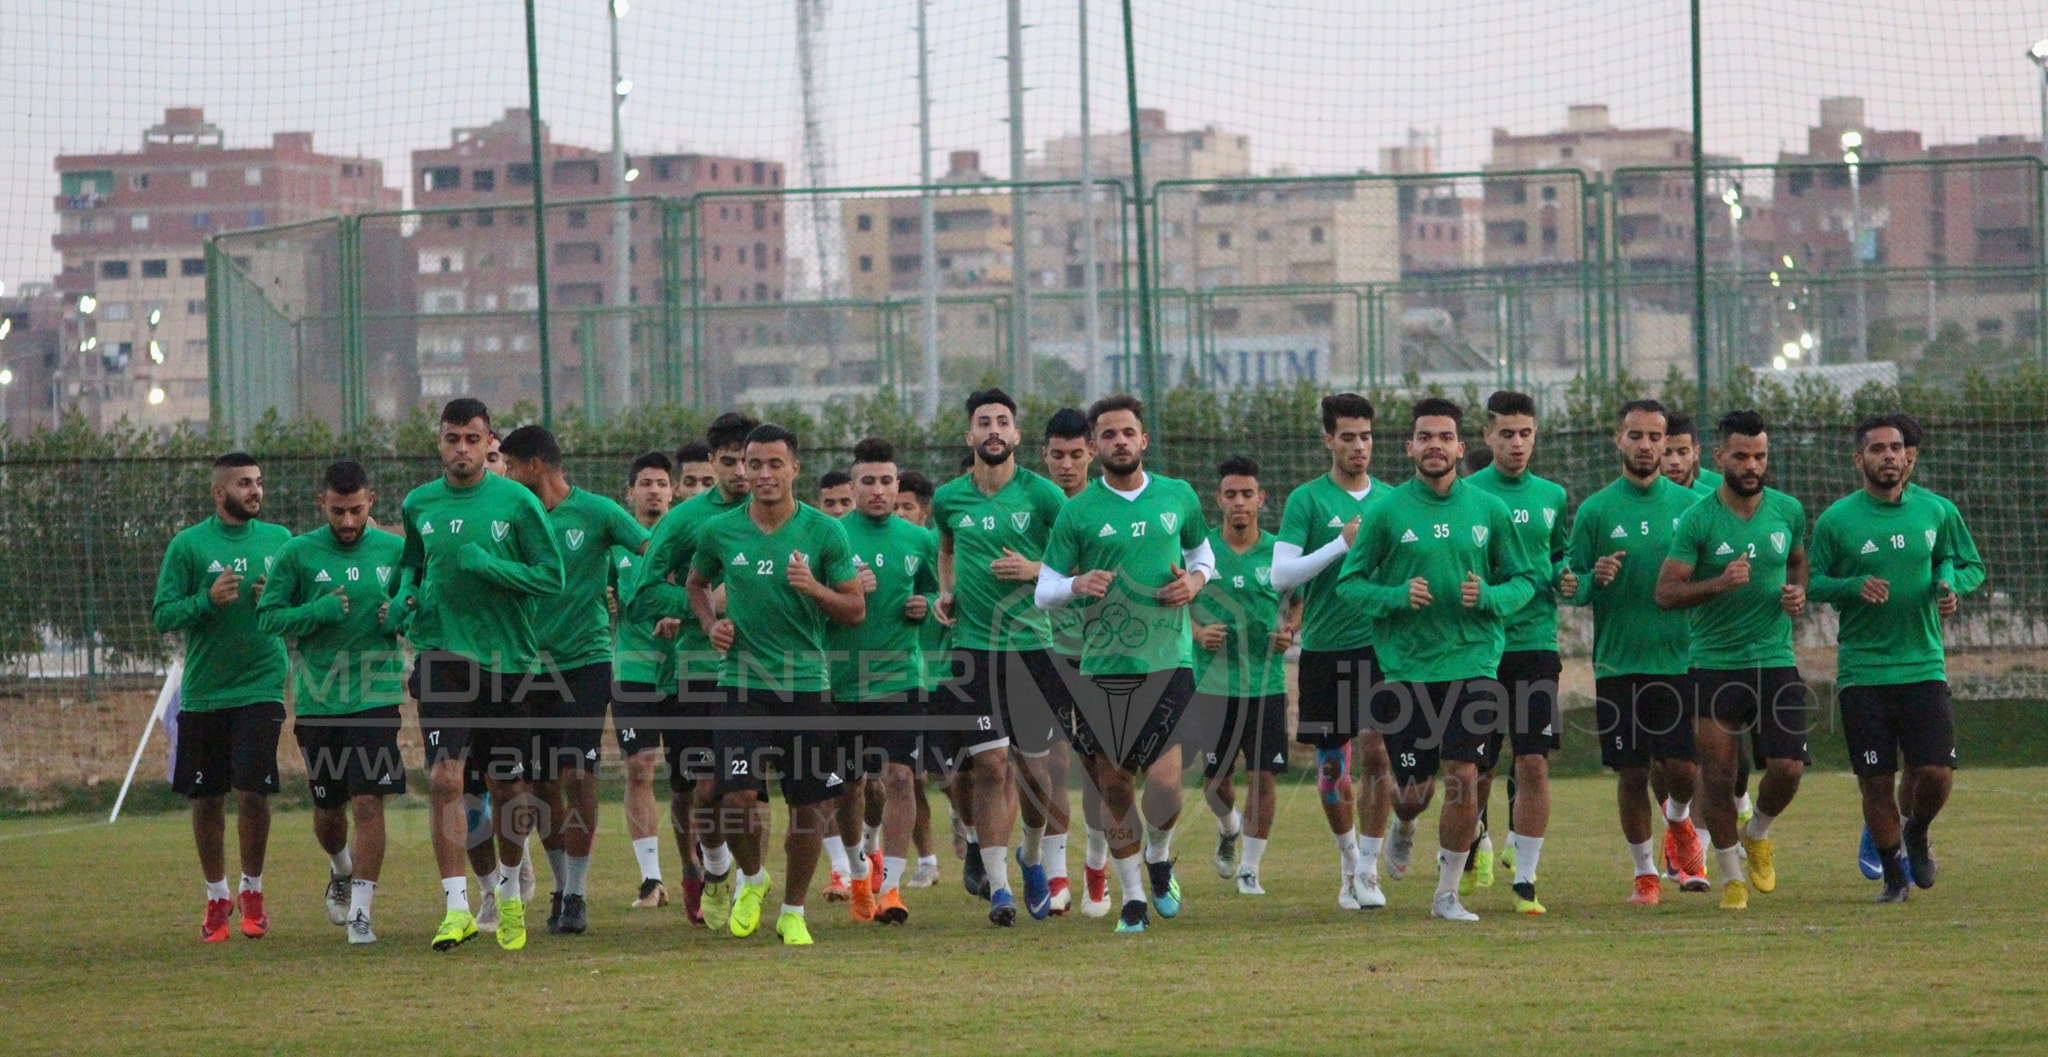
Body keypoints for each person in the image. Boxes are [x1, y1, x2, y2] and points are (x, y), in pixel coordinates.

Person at [1337, 397, 1540, 921]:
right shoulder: (1385, 512)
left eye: (1445, 437)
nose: (1435, 446)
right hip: (1407, 669)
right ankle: (1403, 827)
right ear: (1409, 448)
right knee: (1410, 793)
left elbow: (1525, 581)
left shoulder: (1488, 511)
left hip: (1474, 663)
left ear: (1460, 447)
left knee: (1465, 772)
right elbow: (1350, 584)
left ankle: (1446, 894)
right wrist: (1397, 596)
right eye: (1425, 437)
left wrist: (1491, 598)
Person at [1036, 393, 1216, 933]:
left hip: (1168, 660)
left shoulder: (1178, 496)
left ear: (1143, 439)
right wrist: (1076, 584)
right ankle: (1133, 897)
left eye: (1127, 432)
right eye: (1108, 434)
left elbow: (1202, 555)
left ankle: (1158, 856)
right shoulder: (1078, 511)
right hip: (1101, 666)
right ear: (1095, 445)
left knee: (1163, 785)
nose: (1119, 442)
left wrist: (1195, 582)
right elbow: (1045, 589)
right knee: (1114, 784)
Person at [391, 398, 565, 951]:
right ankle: (458, 904)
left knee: (507, 786)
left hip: (508, 660)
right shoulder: (419, 503)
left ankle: (510, 891)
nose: (461, 449)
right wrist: (402, 598)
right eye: (451, 439)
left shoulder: (517, 501)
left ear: (490, 443)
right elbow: (413, 565)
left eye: (472, 439)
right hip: (442, 654)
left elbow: (551, 577)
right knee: (446, 780)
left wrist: (489, 566)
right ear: (439, 442)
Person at [685, 423, 866, 946]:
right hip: (742, 683)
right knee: (737, 797)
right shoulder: (720, 531)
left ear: (794, 469)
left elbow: (855, 609)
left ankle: (793, 910)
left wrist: (812, 588)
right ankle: (753, 877)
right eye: (753, 464)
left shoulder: (825, 533)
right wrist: (708, 623)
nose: (762, 474)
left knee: (808, 807)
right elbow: (697, 584)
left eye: (773, 464)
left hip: (806, 685)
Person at [1807, 414, 1984, 902]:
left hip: (1923, 664)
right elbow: (1813, 582)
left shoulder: (1937, 511)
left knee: (1934, 773)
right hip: (1863, 671)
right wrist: (1851, 586)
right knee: (1876, 782)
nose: (1890, 456)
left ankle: (1918, 831)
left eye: (1896, 447)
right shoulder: (1837, 520)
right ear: (1859, 458)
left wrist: (1951, 588)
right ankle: (1894, 879)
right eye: (1878, 448)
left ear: (1908, 455)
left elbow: (1966, 564)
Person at [1654, 409, 1810, 911]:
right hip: (1714, 663)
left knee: (1787, 768)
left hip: (1774, 658)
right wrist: (1718, 583)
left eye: (1760, 456)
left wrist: (1797, 594)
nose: (1751, 464)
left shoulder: (1787, 510)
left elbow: (1798, 562)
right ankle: (1729, 878)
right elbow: (1666, 591)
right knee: (1717, 777)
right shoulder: (1698, 519)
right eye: (1740, 455)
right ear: (1719, 456)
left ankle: (1758, 832)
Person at [500, 425, 650, 936]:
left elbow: (649, 550)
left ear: (534, 466)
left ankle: (579, 894)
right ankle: (561, 887)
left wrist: (636, 592)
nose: (505, 475)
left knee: (577, 773)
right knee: (540, 781)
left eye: (510, 465)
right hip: (525, 664)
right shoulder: (510, 515)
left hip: (584, 661)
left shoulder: (598, 512)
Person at [929, 388, 1071, 926]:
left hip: (1032, 650)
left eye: (1002, 422)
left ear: (1015, 436)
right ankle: (999, 891)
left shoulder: (1044, 496)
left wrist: (1037, 570)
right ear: (970, 436)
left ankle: (1032, 856)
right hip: (973, 650)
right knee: (989, 765)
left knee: (1036, 775)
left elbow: (1075, 559)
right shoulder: (949, 499)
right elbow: (945, 547)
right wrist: (946, 591)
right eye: (983, 422)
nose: (993, 429)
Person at [1564, 399, 1709, 905]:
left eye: (1657, 439)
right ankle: (1645, 873)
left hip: (1678, 659)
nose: (1647, 446)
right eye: (1637, 436)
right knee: (1630, 772)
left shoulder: (1690, 508)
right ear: (1618, 440)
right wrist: (1592, 578)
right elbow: (1572, 583)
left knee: (1685, 769)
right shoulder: (1597, 510)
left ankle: (1680, 821)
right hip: (1618, 662)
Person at [255, 460, 407, 944]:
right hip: (320, 702)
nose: (346, 522)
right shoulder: (298, 553)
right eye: (338, 511)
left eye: (356, 511)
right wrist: (315, 612)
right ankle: (340, 868)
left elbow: (421, 607)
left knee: (368, 800)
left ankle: (362, 911)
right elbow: (268, 618)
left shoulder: (396, 550)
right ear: (323, 503)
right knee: (329, 809)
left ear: (371, 504)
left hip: (377, 695)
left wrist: (400, 614)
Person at [622, 412, 759, 927]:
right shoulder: (686, 522)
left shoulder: (788, 515)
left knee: (744, 791)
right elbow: (638, 596)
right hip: (695, 673)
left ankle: (747, 882)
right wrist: (700, 605)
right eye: (730, 463)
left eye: (751, 462)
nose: (743, 474)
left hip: (761, 673)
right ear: (714, 463)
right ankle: (705, 870)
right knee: (696, 789)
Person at [152, 452, 292, 942]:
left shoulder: (280, 541)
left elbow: (296, 607)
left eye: (258, 482)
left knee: (253, 792)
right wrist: (205, 602)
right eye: (243, 484)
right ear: (218, 493)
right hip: (206, 693)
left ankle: (252, 889)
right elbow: (163, 614)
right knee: (206, 797)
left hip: (261, 683)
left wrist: (271, 597)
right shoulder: (189, 545)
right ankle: (217, 896)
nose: (255, 491)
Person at [1272, 393, 1392, 910]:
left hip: (1385, 648)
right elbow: (1280, 576)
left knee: (1379, 753)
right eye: (1348, 437)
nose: (1359, 446)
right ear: (1329, 440)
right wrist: (1340, 543)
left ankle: (1369, 867)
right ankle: (1347, 864)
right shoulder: (1307, 500)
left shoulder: (1392, 499)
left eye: (1366, 436)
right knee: (1330, 771)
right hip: (1325, 649)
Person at [1461, 391, 1571, 906]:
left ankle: (1525, 877)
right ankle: (1476, 835)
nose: (1517, 443)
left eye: (1525, 433)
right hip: (1480, 647)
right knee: (1477, 767)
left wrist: (1568, 576)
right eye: (1506, 434)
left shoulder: (1552, 496)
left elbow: (1559, 556)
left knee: (1533, 762)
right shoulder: (1466, 494)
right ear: (1487, 437)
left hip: (1534, 643)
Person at [827, 438, 940, 924]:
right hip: (840, 682)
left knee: (900, 777)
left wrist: (924, 606)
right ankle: (857, 880)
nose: (877, 490)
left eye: (886, 481)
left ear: (898, 486)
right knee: (848, 788)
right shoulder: (829, 536)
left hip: (900, 677)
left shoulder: (919, 540)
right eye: (867, 481)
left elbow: (934, 591)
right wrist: (842, 589)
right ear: (853, 486)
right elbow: (805, 601)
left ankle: (891, 888)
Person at [1187, 456, 1296, 895]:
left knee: (1263, 776)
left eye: (1247, 494)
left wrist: (1290, 630)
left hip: (1265, 683)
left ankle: (1250, 868)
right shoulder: (1201, 553)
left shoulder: (1279, 553)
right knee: (1215, 783)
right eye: (1230, 494)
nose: (1238, 503)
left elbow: (1298, 599)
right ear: (1218, 500)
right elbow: (1172, 600)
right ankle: (1229, 828)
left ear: (1261, 499)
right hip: (1212, 685)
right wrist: (1196, 632)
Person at [1032, 407, 1092, 915]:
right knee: (1051, 763)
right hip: (1047, 649)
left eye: (1076, 455)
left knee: (1102, 766)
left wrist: (1038, 569)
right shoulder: (1035, 504)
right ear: (1044, 457)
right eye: (1058, 456)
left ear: (1091, 453)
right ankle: (1055, 873)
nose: (1066, 465)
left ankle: (1098, 862)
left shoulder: (1106, 507)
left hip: (1107, 651)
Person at [612, 451, 678, 909]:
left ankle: (703, 867)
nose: (654, 490)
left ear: (673, 492)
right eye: (646, 483)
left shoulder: (688, 538)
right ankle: (651, 878)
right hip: (633, 667)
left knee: (695, 777)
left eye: (661, 483)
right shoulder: (615, 547)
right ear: (630, 493)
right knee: (639, 768)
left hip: (687, 670)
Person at [893, 469, 947, 889]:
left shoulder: (929, 544)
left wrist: (926, 602)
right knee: (910, 776)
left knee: (951, 777)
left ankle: (967, 829)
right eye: (895, 505)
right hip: (900, 679)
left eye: (906, 507)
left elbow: (943, 590)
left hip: (943, 675)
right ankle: (926, 859)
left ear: (924, 512)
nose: (898, 513)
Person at [1662, 415, 1724, 497]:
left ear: (1696, 453)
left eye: (1683, 452)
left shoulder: (1712, 499)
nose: (1674, 461)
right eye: (1666, 453)